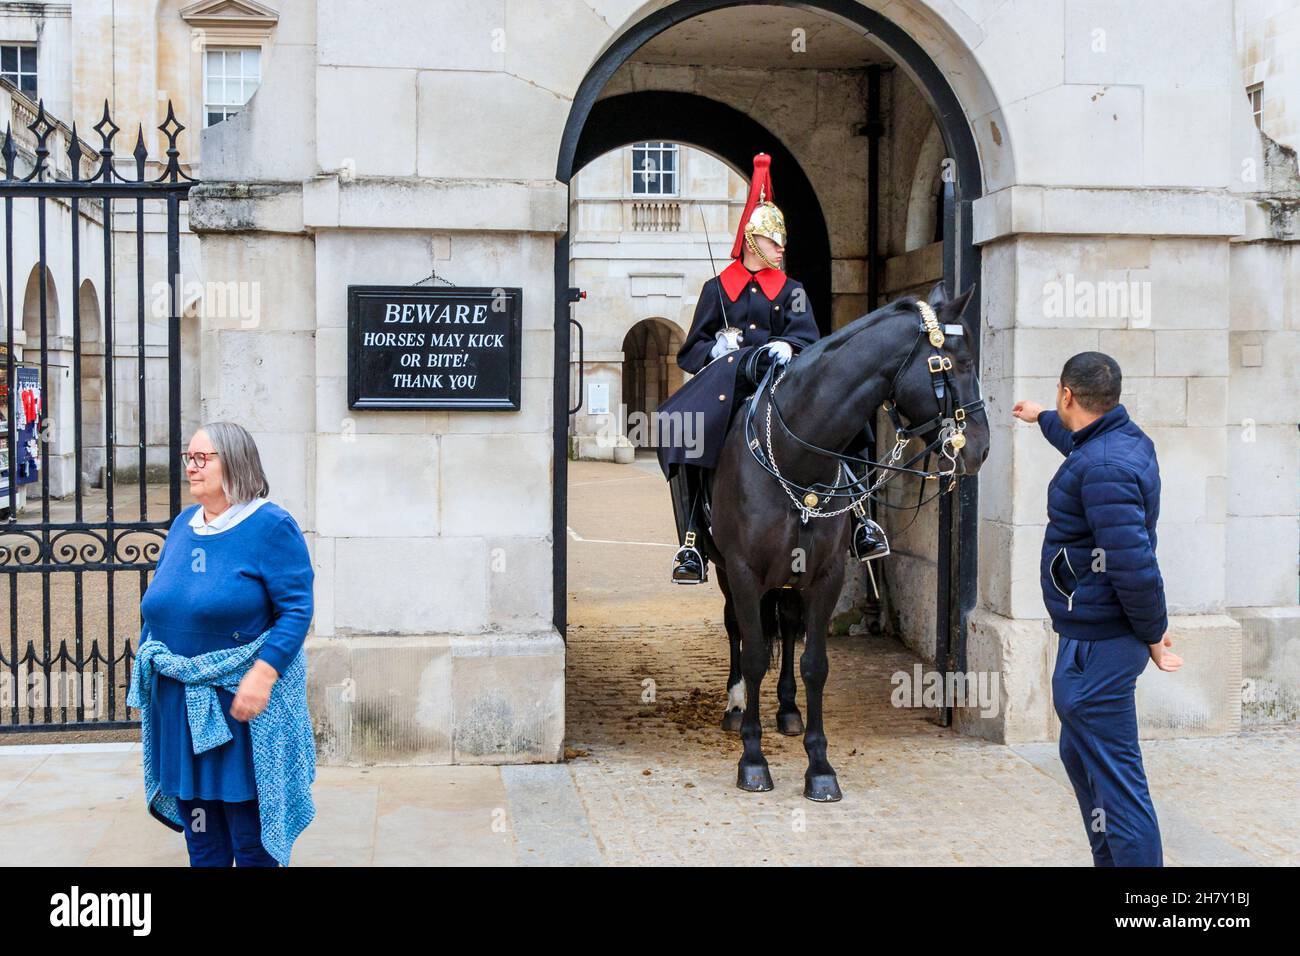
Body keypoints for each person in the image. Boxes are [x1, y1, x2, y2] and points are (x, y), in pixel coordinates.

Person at [657, 152, 887, 584]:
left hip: (785, 385)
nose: (781, 249)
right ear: (751, 242)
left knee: (850, 423)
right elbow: (689, 351)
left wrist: (788, 345)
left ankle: (861, 522)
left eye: (782, 242)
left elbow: (811, 341)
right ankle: (690, 540)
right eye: (772, 241)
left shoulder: (793, 290)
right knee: (679, 423)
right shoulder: (717, 289)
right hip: (731, 383)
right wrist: (713, 349)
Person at [1013, 352, 1183, 867]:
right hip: (1090, 636)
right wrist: (1041, 416)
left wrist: (1155, 636)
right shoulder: (1117, 440)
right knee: (1083, 756)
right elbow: (1079, 442)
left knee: (1117, 782)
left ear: (1070, 394)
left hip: (1102, 644)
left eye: (1058, 400)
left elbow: (1133, 564)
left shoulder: (1104, 467)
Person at [127, 421, 316, 867]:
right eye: (187, 459)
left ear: (234, 462)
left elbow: (296, 610)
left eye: (201, 458)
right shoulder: (183, 526)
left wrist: (264, 674)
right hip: (181, 708)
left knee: (250, 841)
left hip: (239, 709)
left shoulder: (270, 526)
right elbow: (165, 604)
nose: (191, 469)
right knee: (203, 840)